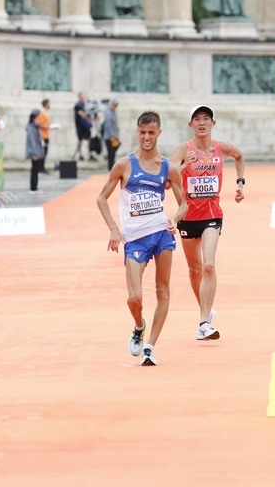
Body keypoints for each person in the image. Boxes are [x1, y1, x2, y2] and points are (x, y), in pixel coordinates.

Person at [96, 110, 187, 366]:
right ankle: (139, 326)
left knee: (163, 291)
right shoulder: (125, 165)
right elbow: (101, 198)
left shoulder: (167, 167)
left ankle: (150, 347)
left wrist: (174, 219)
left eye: (152, 133)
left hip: (161, 233)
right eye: (143, 132)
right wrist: (114, 229)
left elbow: (184, 205)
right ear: (138, 132)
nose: (147, 137)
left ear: (159, 133)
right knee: (134, 298)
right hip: (135, 239)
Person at [170, 105, 245, 341]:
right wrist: (184, 166)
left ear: (213, 124)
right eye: (196, 119)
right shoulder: (182, 149)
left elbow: (239, 156)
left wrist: (240, 183)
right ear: (190, 125)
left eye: (206, 119)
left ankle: (204, 323)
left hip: (212, 215)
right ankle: (206, 308)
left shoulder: (222, 148)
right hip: (187, 217)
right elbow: (167, 179)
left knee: (209, 266)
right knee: (194, 269)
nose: (202, 123)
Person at [25, 108, 43, 195]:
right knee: (34, 170)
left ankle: (35, 187)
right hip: (34, 151)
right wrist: (35, 153)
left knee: (36, 170)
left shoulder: (35, 125)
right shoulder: (31, 127)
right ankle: (33, 188)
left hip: (37, 150)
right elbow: (32, 141)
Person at [102, 98, 121, 171]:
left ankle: (111, 165)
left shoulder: (114, 112)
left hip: (115, 135)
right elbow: (108, 125)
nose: (116, 106)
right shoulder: (108, 113)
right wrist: (112, 135)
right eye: (115, 104)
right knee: (111, 152)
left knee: (113, 150)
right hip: (110, 136)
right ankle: (110, 167)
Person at [73, 92, 92, 161]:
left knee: (89, 140)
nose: (83, 98)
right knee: (80, 140)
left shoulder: (85, 105)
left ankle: (90, 154)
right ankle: (80, 154)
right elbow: (81, 114)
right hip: (80, 126)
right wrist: (88, 119)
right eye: (81, 97)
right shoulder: (77, 105)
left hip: (86, 126)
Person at [34, 98, 51, 173]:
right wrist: (46, 127)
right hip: (43, 136)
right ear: (46, 104)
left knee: (45, 152)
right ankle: (41, 168)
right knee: (43, 152)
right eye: (49, 103)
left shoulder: (45, 113)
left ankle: (42, 167)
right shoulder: (42, 113)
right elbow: (38, 124)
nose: (50, 105)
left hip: (46, 135)